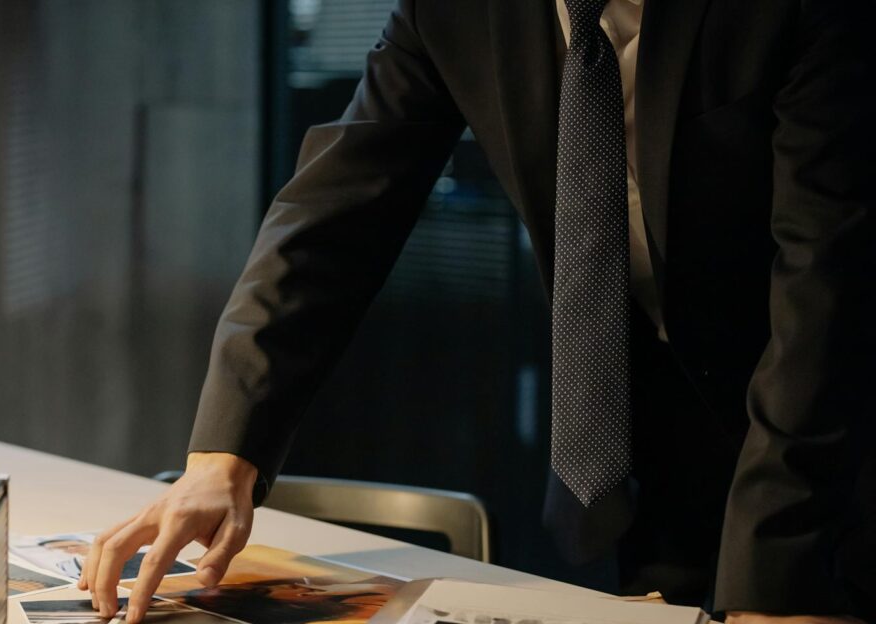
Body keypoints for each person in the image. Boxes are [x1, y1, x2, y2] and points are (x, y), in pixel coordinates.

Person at [79, 1, 876, 622]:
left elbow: (827, 284)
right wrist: (224, 457)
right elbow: (331, 218)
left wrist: (785, 566)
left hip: (836, 443)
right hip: (665, 447)